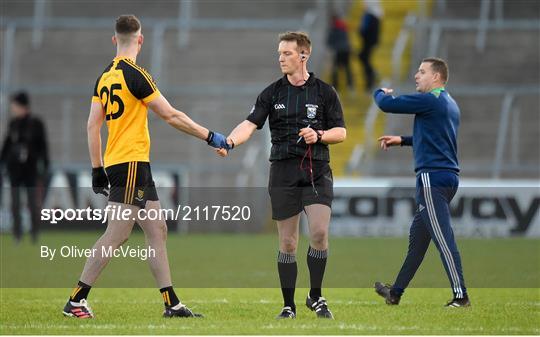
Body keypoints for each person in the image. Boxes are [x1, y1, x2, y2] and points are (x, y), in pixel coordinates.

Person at [62, 14, 229, 319]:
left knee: (157, 229)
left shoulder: (104, 77)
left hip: (123, 163)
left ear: (115, 40)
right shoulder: (136, 74)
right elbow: (171, 115)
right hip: (131, 163)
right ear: (140, 40)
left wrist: (97, 169)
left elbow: (91, 126)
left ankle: (171, 303)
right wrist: (210, 136)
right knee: (117, 234)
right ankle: (75, 300)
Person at [216, 31, 346, 319]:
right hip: (283, 171)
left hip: (316, 169)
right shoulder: (272, 92)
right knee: (288, 243)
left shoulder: (325, 92)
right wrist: (231, 142)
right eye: (279, 53)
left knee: (320, 233)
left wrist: (319, 134)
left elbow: (342, 132)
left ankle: (316, 295)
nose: (281, 58)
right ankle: (289, 305)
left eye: (286, 53)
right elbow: (250, 124)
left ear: (303, 55)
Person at [372, 57, 470, 307]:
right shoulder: (449, 103)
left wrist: (380, 91)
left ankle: (461, 296)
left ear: (436, 77)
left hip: (431, 179)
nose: (417, 75)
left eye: (422, 71)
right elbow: (434, 138)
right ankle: (395, 293)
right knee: (418, 241)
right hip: (447, 176)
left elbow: (386, 104)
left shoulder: (429, 100)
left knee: (443, 239)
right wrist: (403, 140)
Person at [0, 91, 49, 244]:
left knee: (32, 201)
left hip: (31, 170)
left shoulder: (36, 123)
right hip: (15, 170)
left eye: (15, 105)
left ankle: (34, 233)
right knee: (15, 202)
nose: (13, 108)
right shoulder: (13, 124)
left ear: (22, 105)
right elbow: (7, 145)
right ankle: (17, 234)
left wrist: (44, 165)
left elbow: (43, 147)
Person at [358, 0, 382, 92]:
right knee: (363, 57)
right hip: (371, 41)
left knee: (363, 57)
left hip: (368, 41)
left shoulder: (369, 16)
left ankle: (371, 77)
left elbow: (364, 30)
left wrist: (361, 32)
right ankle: (371, 76)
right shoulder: (377, 15)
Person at [326, 14, 354, 94]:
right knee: (347, 68)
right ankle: (350, 85)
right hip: (346, 50)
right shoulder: (343, 27)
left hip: (338, 51)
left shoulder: (333, 29)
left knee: (335, 69)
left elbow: (329, 42)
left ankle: (335, 86)